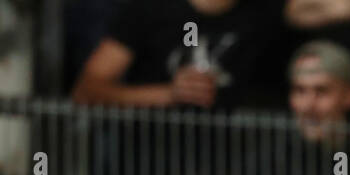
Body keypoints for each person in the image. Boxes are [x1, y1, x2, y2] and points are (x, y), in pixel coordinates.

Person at [70, 0, 285, 111]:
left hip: (235, 171)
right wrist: (168, 94)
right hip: (151, 165)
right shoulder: (149, 8)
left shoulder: (264, 8)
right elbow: (86, 90)